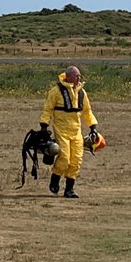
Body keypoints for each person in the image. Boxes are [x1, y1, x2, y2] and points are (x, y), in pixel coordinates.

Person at [39, 65, 99, 199]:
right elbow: (48, 109)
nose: (79, 78)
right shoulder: (56, 91)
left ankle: (69, 189)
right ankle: (54, 181)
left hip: (76, 130)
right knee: (64, 158)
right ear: (68, 76)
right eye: (76, 76)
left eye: (79, 76)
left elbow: (87, 112)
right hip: (61, 129)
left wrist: (93, 127)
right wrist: (44, 125)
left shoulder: (82, 93)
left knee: (76, 160)